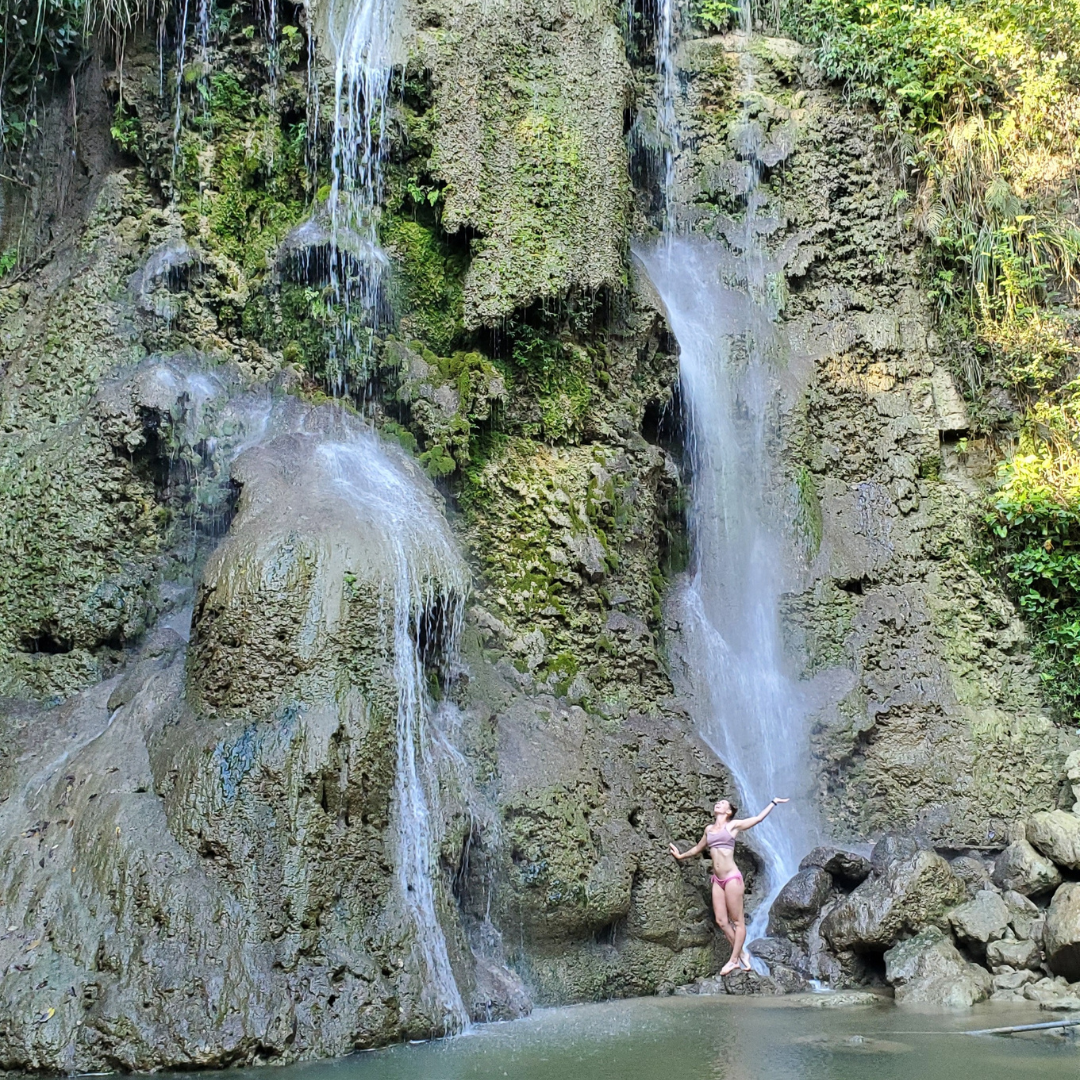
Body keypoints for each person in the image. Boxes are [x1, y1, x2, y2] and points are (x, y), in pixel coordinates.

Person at [669, 797, 789, 975]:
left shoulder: (733, 826)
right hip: (717, 880)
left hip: (732, 878)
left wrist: (773, 802)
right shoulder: (709, 829)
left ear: (729, 811)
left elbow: (757, 819)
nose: (718, 803)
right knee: (721, 921)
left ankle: (733, 960)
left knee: (737, 921)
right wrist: (681, 856)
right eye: (717, 802)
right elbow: (697, 848)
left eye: (723, 803)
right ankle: (742, 954)